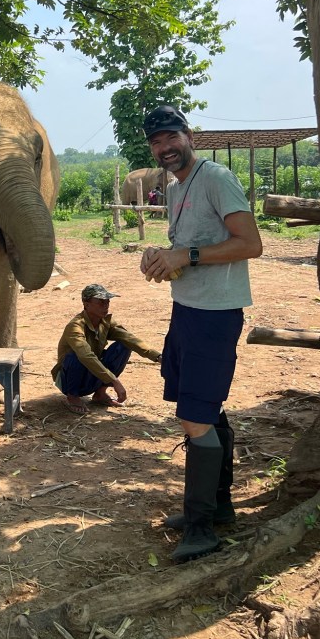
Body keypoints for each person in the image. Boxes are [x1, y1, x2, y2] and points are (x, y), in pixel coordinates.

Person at [140, 106, 262, 564]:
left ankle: (200, 528)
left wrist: (185, 255)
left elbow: (251, 244)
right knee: (206, 410)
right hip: (187, 309)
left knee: (194, 416)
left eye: (171, 137)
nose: (164, 147)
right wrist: (162, 256)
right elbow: (187, 248)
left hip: (216, 314)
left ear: (188, 136)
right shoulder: (176, 188)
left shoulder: (216, 178)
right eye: (156, 142)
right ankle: (219, 507)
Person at [51, 283, 162, 415]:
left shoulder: (105, 322)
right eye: (100, 302)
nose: (106, 306)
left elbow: (130, 339)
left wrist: (158, 357)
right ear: (86, 304)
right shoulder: (75, 326)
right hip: (68, 379)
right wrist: (114, 380)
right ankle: (72, 396)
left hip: (93, 375)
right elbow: (86, 356)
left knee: (124, 345)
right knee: (76, 355)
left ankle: (100, 393)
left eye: (107, 302)